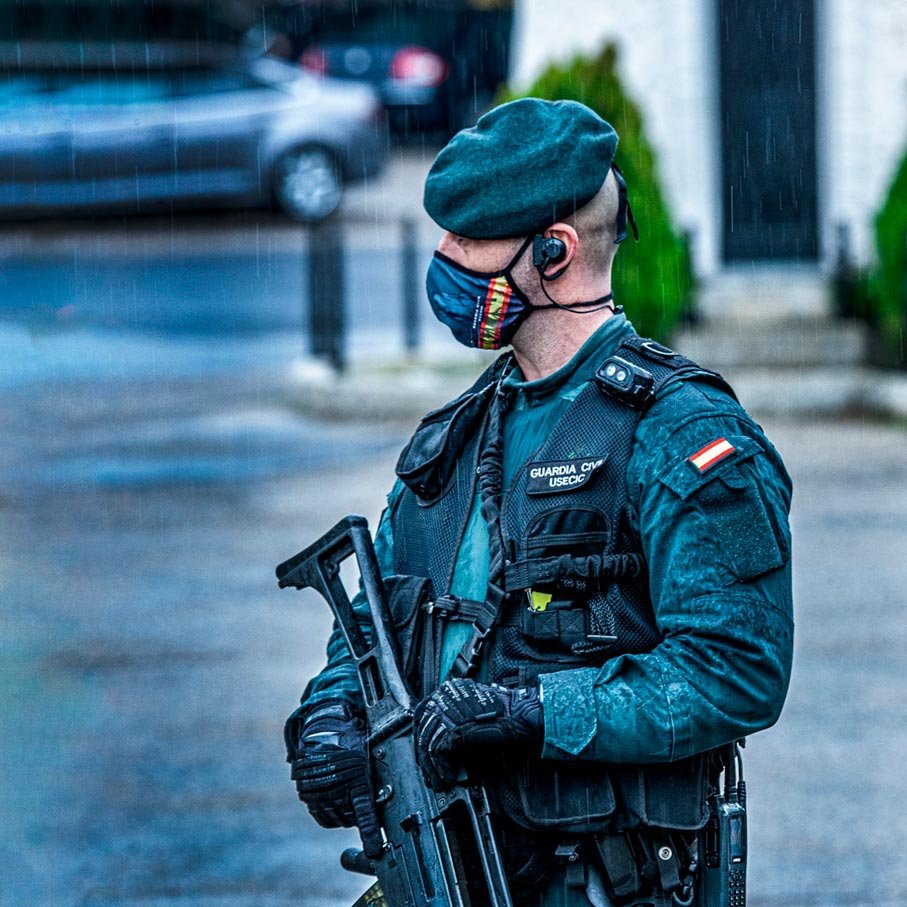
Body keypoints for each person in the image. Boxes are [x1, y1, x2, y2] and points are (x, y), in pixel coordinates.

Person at [284, 98, 794, 906]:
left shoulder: (680, 433)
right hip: (446, 869)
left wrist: (530, 712)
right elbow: (373, 619)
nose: (446, 259)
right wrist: (328, 716)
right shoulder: (449, 442)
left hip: (599, 880)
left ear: (552, 251)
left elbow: (736, 671)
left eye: (468, 240)